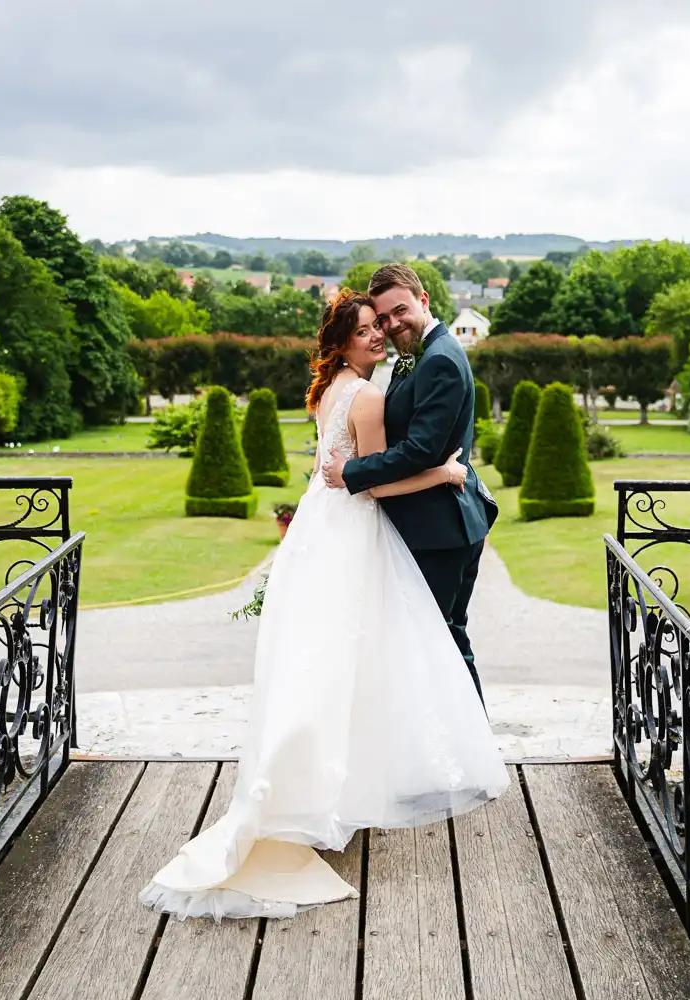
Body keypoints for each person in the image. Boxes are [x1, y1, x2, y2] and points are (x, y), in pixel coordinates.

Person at [139, 289, 508, 921]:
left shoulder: (331, 390)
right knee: (370, 653)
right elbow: (380, 475)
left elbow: (335, 471)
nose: (378, 336)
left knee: (325, 658)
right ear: (341, 342)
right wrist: (451, 474)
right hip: (354, 529)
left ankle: (324, 782)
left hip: (320, 530)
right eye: (366, 329)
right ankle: (364, 780)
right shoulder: (365, 395)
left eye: (380, 325)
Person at [322, 263, 498, 702]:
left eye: (399, 311)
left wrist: (351, 473)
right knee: (431, 642)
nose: (391, 324)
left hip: (437, 526)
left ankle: (470, 749)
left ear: (423, 300)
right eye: (381, 320)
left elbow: (420, 449)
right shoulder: (420, 352)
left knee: (442, 641)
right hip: (427, 521)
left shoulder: (439, 358)